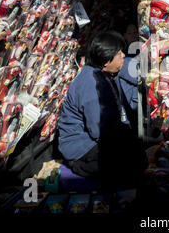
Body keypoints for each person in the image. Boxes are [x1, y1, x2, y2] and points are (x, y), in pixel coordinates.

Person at [58, 30, 146, 191]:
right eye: (119, 54)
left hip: (97, 139)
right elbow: (100, 132)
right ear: (106, 60)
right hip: (81, 149)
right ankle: (83, 168)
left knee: (137, 152)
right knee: (131, 165)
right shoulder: (91, 85)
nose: (124, 57)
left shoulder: (103, 74)